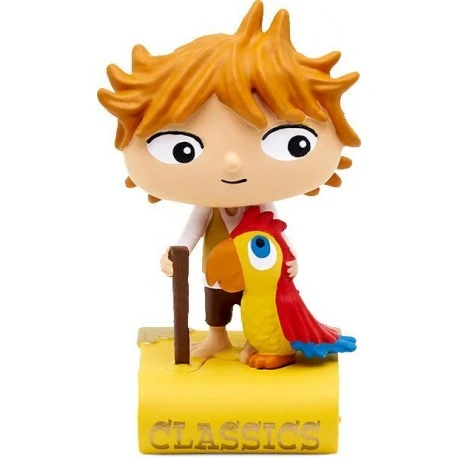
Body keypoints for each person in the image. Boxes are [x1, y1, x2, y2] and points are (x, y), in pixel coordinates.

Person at [97, 0, 360, 358]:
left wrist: (292, 258)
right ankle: (217, 336)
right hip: (215, 264)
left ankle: (258, 337)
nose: (233, 163)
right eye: (181, 149)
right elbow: (192, 230)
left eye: (291, 141)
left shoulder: (260, 205)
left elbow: (276, 228)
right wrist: (176, 253)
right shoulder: (208, 207)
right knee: (216, 299)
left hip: (258, 270)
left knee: (259, 297)